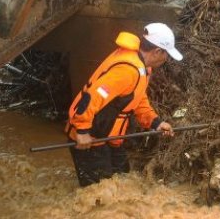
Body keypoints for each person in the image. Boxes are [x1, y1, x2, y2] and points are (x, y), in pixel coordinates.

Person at [66, 23, 183, 186]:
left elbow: (138, 98)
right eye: (166, 55)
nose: (166, 59)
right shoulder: (127, 70)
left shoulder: (143, 68)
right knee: (98, 193)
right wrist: (82, 131)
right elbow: (92, 97)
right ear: (157, 51)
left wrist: (155, 122)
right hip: (89, 137)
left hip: (110, 137)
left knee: (123, 181)